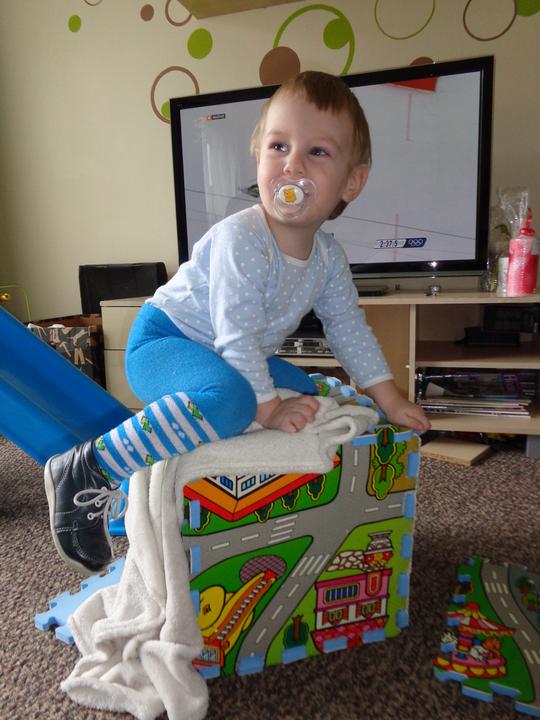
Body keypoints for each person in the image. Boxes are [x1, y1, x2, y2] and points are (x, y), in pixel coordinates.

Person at [45, 71, 430, 576]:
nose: (292, 164)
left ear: (351, 182)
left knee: (306, 390)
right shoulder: (242, 239)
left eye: (317, 152)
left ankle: (248, 411)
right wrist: (267, 409)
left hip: (225, 352)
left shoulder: (328, 258)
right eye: (278, 146)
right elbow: (237, 337)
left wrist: (390, 397)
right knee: (236, 401)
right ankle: (90, 467)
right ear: (258, 156)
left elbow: (348, 328)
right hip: (164, 341)